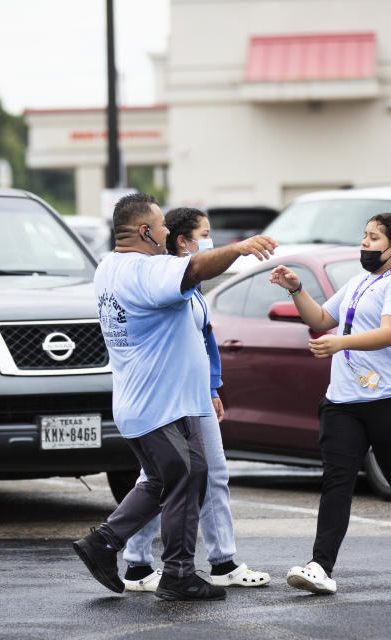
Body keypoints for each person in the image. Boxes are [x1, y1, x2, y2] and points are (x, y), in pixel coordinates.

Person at [73, 193, 277, 601]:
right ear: (145, 231)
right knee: (184, 477)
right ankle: (178, 573)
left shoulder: (112, 267)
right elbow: (195, 268)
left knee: (174, 478)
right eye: (162, 226)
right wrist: (238, 248)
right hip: (158, 406)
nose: (168, 232)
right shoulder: (142, 271)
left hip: (168, 403)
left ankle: (104, 543)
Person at [268, 212, 391, 595]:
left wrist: (340, 342)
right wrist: (296, 288)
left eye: (373, 238)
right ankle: (320, 566)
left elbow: (389, 333)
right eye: (364, 236)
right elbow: (321, 317)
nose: (365, 243)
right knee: (337, 479)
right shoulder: (359, 282)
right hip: (343, 401)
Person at [121, 207, 271, 593]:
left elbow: (203, 340)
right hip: (166, 397)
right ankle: (136, 562)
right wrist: (239, 250)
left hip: (195, 393)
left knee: (213, 474)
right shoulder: (165, 279)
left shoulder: (192, 284)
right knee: (161, 478)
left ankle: (223, 560)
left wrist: (212, 387)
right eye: (204, 233)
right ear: (183, 241)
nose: (210, 238)